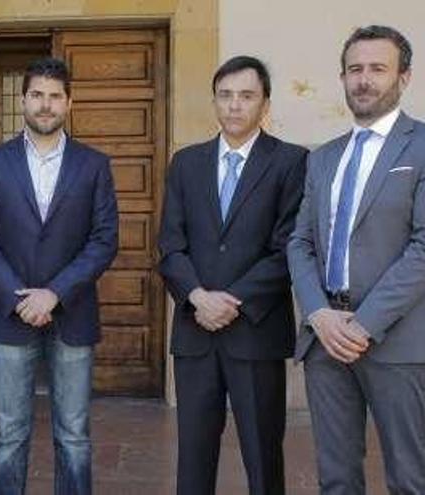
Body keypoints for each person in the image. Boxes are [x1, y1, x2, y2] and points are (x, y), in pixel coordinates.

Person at [0, 57, 118, 495]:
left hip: (72, 315)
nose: (45, 105)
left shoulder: (93, 165)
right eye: (37, 95)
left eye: (55, 96)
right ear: (23, 100)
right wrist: (21, 299)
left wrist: (54, 293)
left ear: (69, 102)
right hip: (10, 317)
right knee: (9, 434)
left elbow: (104, 239)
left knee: (73, 435)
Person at [157, 56, 307, 494]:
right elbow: (171, 245)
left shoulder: (290, 162)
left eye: (246, 96)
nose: (234, 106)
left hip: (255, 334)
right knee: (193, 458)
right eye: (225, 96)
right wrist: (198, 297)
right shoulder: (186, 163)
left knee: (263, 457)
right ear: (214, 101)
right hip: (195, 332)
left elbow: (289, 248)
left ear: (264, 103)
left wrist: (231, 301)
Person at [288, 25, 425, 494]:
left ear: (404, 77)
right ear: (343, 77)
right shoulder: (322, 158)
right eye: (355, 69)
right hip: (326, 342)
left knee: (411, 479)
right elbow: (299, 242)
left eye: (377, 69)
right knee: (337, 480)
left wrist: (363, 325)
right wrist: (320, 315)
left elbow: (423, 250)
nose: (364, 80)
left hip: (398, 343)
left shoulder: (422, 147)